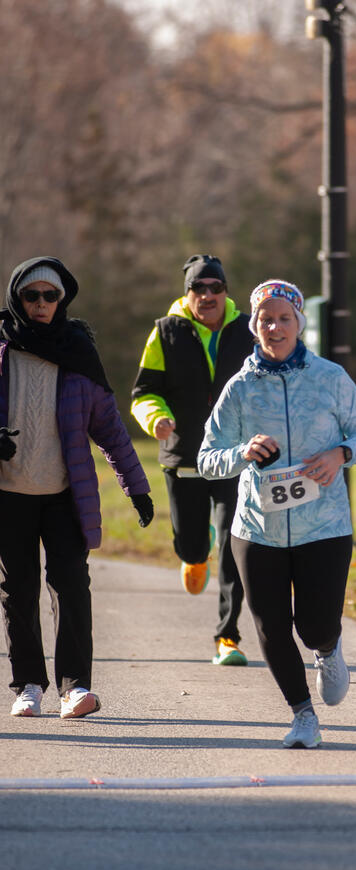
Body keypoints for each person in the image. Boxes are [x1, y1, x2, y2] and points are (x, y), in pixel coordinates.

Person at [197, 279, 356, 748]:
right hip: (258, 528)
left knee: (314, 624)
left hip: (325, 524)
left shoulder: (331, 379)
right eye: (265, 319)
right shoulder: (239, 389)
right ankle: (302, 714)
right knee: (270, 625)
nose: (274, 327)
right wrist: (242, 452)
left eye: (283, 318)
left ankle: (328, 647)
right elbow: (206, 457)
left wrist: (340, 454)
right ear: (254, 325)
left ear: (299, 323)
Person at [0, 257, 153, 719]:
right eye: (32, 296)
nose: (42, 304)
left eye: (51, 296)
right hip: (10, 496)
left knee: (70, 586)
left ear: (62, 300)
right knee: (18, 591)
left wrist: (137, 487)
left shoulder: (79, 352)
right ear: (17, 299)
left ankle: (74, 687)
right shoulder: (2, 348)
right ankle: (28, 685)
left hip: (65, 494)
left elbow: (109, 428)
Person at [131, 254, 254, 666]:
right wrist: (156, 418)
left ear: (225, 292)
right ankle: (193, 555)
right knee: (193, 542)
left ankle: (228, 636)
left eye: (214, 287)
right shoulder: (166, 332)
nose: (207, 295)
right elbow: (143, 391)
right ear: (187, 293)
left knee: (235, 546)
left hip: (236, 457)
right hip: (184, 456)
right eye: (198, 288)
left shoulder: (247, 330)